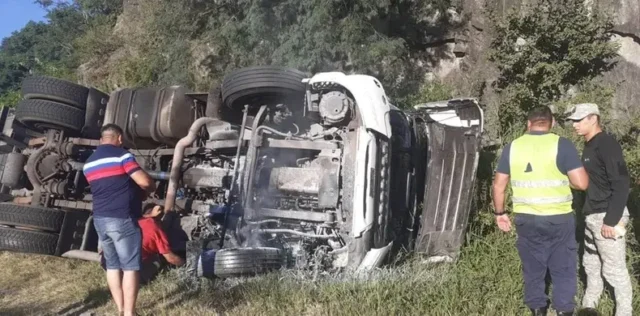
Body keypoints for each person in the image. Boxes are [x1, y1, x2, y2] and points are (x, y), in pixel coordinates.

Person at [492, 106, 589, 316]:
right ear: (551, 123)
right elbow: (581, 183)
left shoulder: (513, 147)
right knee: (563, 268)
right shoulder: (561, 145)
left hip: (527, 219)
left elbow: (499, 185)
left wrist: (500, 214)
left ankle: (538, 309)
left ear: (528, 123)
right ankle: (563, 310)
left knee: (533, 268)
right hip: (559, 218)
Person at [564, 103, 633, 316]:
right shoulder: (589, 145)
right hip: (592, 215)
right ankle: (588, 307)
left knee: (614, 271)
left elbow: (622, 183)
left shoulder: (606, 144)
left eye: (578, 120)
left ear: (593, 119)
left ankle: (624, 312)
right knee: (591, 265)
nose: (574, 125)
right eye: (573, 120)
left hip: (607, 216)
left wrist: (611, 220)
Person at [83, 124, 156, 316]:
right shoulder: (122, 156)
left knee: (112, 266)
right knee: (131, 267)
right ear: (120, 139)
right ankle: (130, 314)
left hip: (99, 218)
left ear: (101, 139)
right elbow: (144, 181)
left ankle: (121, 309)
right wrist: (149, 189)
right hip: (121, 218)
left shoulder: (88, 163)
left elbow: (109, 186)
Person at [138, 202, 185, 283]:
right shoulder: (155, 229)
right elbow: (171, 258)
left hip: (122, 265)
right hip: (137, 270)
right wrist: (185, 264)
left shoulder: (138, 220)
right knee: (159, 260)